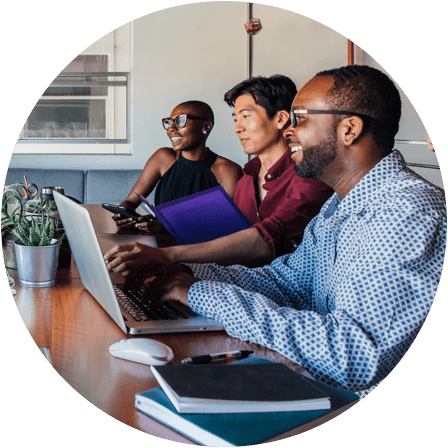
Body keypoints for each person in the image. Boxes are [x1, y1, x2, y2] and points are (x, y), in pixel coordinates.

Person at [109, 65, 446, 394]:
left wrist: (198, 293)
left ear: (350, 129)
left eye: (300, 119)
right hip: (311, 378)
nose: (290, 132)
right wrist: (186, 273)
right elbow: (286, 283)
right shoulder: (337, 207)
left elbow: (351, 357)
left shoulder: (405, 212)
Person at [105, 76, 332, 268]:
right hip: (235, 281)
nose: (237, 128)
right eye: (235, 119)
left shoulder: (310, 175)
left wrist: (166, 256)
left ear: (281, 119)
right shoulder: (246, 179)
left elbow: (268, 238)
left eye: (246, 116)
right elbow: (229, 241)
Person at [114, 100, 243, 233]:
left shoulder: (228, 171)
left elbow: (228, 225)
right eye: (169, 122)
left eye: (181, 121)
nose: (171, 129)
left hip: (202, 250)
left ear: (206, 127)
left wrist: (168, 225)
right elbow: (130, 201)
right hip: (160, 247)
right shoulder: (162, 158)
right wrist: (123, 213)